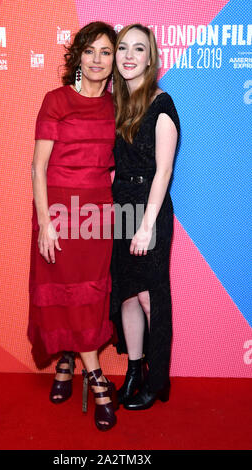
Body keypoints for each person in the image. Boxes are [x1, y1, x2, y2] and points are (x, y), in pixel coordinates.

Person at [28, 22, 118, 431]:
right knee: (63, 292)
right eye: (90, 51)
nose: (97, 60)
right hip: (59, 214)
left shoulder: (117, 107)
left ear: (115, 60)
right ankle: (97, 378)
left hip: (97, 216)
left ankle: (69, 359)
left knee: (90, 295)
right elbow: (38, 167)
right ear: (77, 57)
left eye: (105, 52)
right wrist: (46, 223)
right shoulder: (56, 100)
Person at [110, 24, 180, 410]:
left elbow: (164, 172)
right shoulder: (117, 104)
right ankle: (134, 370)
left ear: (151, 58)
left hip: (147, 210)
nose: (129, 56)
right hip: (121, 207)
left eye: (139, 49)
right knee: (126, 297)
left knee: (151, 298)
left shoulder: (162, 104)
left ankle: (158, 380)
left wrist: (147, 225)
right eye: (123, 48)